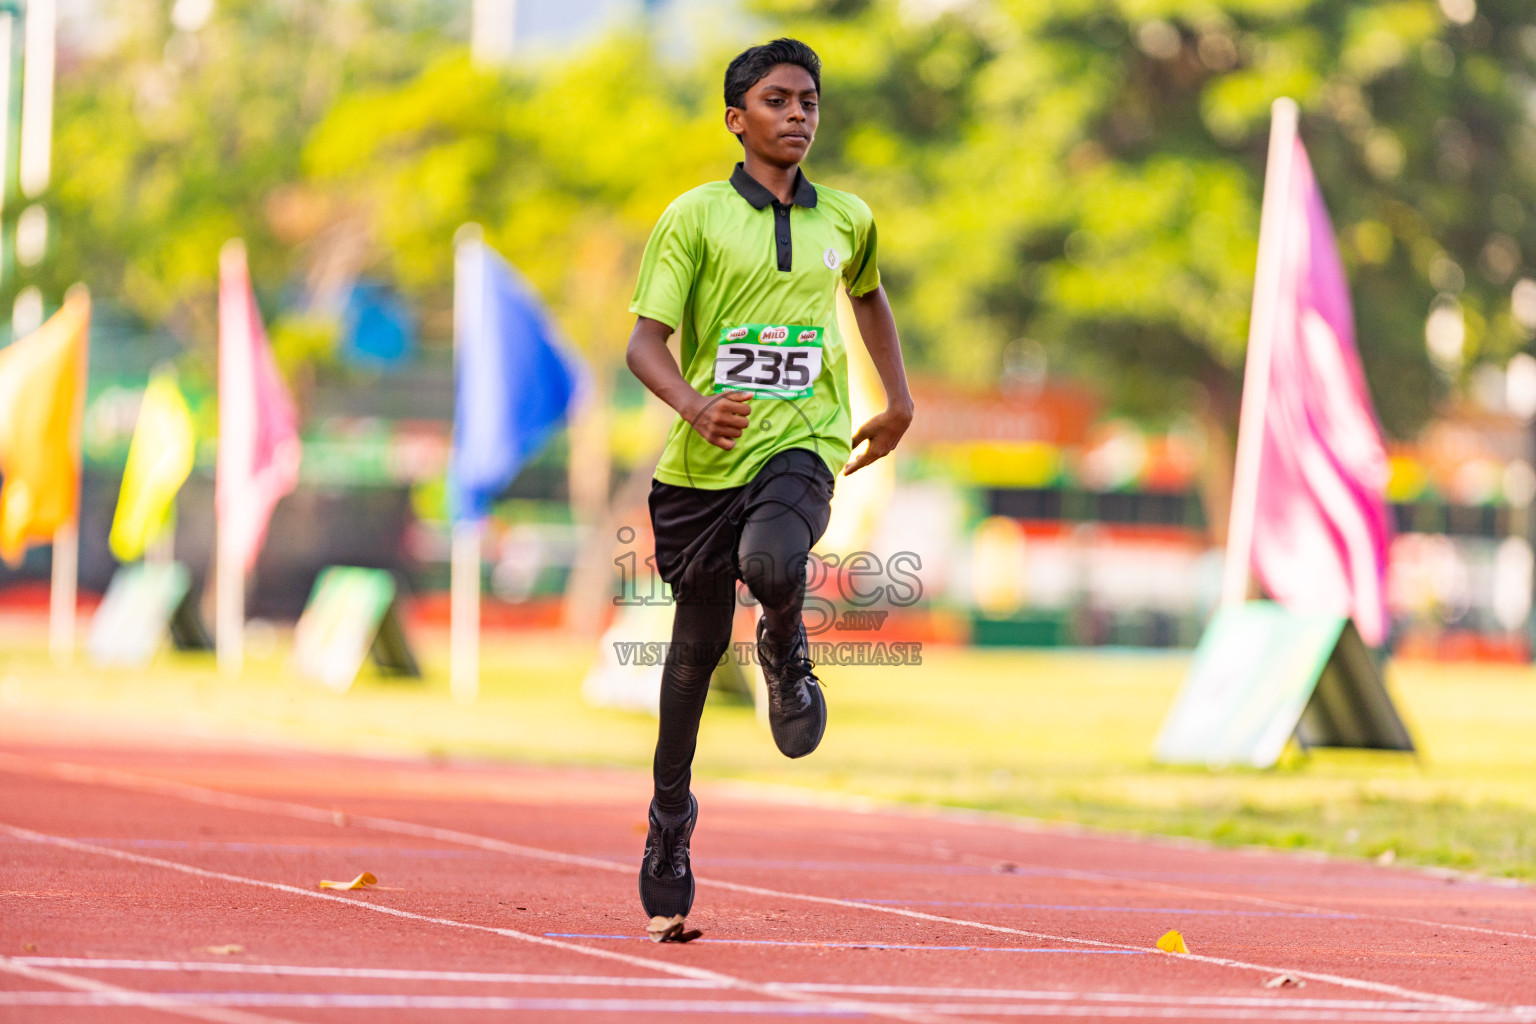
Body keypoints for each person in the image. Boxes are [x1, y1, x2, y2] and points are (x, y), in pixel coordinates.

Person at [624, 37, 914, 940]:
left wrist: (898, 399)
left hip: (803, 440)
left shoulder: (849, 220)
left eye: (811, 102)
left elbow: (867, 297)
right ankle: (670, 821)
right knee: (694, 650)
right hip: (702, 467)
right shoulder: (696, 218)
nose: (799, 115)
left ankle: (785, 646)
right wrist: (694, 404)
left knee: (775, 558)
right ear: (736, 118)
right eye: (780, 100)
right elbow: (643, 344)